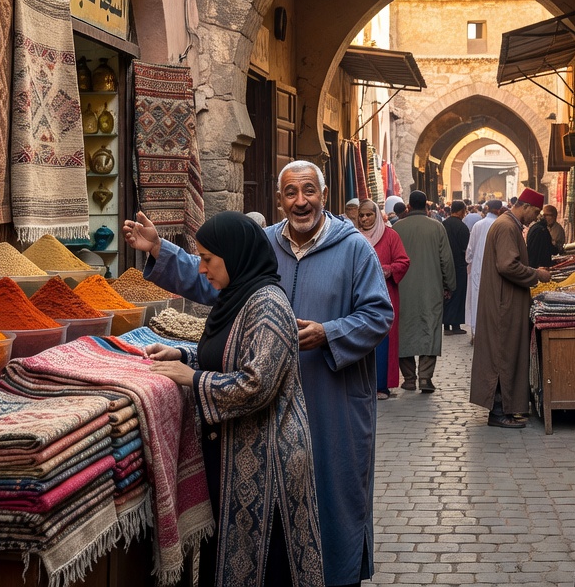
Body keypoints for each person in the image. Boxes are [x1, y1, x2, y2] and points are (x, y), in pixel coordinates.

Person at [129, 160, 393, 587]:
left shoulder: (354, 248)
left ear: (323, 195)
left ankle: (335, 577)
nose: (300, 201)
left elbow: (379, 314)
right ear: (279, 198)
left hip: (330, 397)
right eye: (291, 193)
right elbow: (212, 279)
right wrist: (161, 251)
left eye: (309, 191)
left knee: (333, 495)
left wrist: (329, 332)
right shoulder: (263, 243)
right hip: (263, 411)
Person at [142, 212, 325, 586]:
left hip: (269, 458)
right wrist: (183, 356)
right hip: (237, 453)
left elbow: (256, 384)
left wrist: (192, 379)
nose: (203, 269)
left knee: (268, 566)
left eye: (207, 259)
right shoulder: (236, 297)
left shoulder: (267, 304)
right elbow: (227, 356)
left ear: (235, 255)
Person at [470, 189, 552, 428]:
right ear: (524, 206)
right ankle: (498, 411)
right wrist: (536, 274)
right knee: (502, 354)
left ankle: (506, 407)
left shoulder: (507, 224)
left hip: (504, 301)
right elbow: (507, 265)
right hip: (503, 304)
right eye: (535, 212)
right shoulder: (506, 226)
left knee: (504, 352)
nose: (536, 217)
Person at [392, 191, 456, 393]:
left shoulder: (397, 228)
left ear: (408, 206)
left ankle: (409, 378)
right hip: (431, 288)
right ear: (426, 207)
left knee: (404, 330)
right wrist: (449, 285)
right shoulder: (437, 227)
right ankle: (425, 378)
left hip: (402, 288)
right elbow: (446, 259)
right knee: (431, 328)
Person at [357, 199, 409, 401]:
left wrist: (388, 270)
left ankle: (381, 386)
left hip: (385, 295)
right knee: (361, 337)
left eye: (369, 214)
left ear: (377, 215)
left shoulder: (390, 236)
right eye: (361, 215)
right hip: (359, 296)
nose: (365, 218)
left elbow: (403, 261)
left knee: (383, 338)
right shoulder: (353, 237)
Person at [464, 199, 502, 344]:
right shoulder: (500, 225)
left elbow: (470, 250)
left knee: (476, 300)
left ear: (487, 208)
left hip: (477, 269)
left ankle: (476, 334)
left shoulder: (478, 225)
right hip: (495, 269)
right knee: (493, 300)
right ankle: (491, 335)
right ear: (499, 210)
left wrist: (470, 262)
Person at [442, 201, 471, 335]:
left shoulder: (443, 225)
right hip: (458, 265)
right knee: (458, 293)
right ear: (460, 211)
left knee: (447, 293)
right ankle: (456, 325)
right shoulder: (462, 227)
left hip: (444, 265)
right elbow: (466, 249)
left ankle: (446, 325)